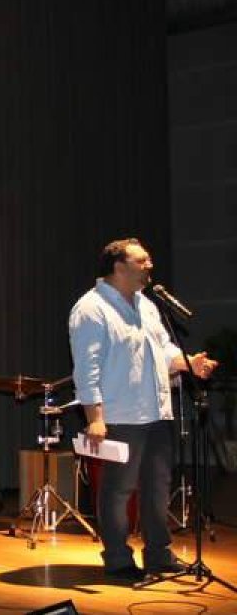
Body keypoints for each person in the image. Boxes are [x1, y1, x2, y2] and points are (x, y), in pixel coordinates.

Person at [70, 238, 218, 581]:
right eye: (143, 260)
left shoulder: (148, 305)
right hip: (120, 416)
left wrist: (188, 363)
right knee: (118, 490)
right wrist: (95, 418)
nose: (150, 265)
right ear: (119, 267)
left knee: (157, 488)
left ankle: (159, 555)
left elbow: (163, 351)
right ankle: (119, 559)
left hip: (157, 412)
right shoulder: (91, 308)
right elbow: (86, 368)